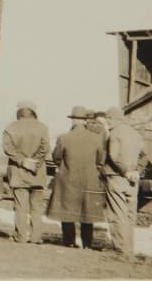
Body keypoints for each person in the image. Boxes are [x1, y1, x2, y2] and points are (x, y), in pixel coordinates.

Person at [46, 106, 106, 249]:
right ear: (85, 120)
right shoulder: (97, 139)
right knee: (87, 212)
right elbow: (101, 160)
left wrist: (65, 166)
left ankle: (70, 242)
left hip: (68, 179)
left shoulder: (64, 138)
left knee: (67, 211)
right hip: (89, 179)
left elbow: (56, 157)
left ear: (73, 120)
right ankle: (87, 244)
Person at [2, 100, 50, 244]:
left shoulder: (10, 128)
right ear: (33, 112)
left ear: (19, 112)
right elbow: (45, 147)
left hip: (18, 173)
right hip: (37, 172)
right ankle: (36, 237)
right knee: (36, 207)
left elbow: (8, 149)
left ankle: (21, 236)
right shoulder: (42, 128)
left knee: (20, 207)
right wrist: (34, 161)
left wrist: (22, 161)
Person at [103, 106, 146, 259]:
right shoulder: (135, 134)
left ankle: (120, 249)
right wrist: (136, 171)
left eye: (108, 118)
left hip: (117, 176)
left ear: (114, 119)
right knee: (130, 214)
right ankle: (129, 249)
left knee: (117, 213)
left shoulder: (114, 133)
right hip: (133, 179)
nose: (106, 122)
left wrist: (125, 171)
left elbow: (113, 156)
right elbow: (144, 155)